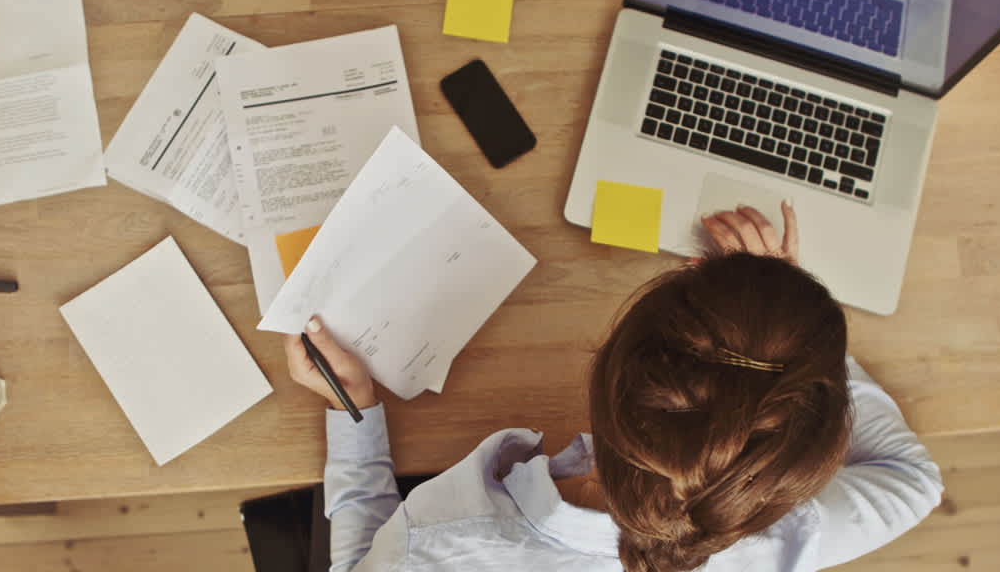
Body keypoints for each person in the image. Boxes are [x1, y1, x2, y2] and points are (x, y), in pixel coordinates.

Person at [282, 202, 943, 572]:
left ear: (606, 366)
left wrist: (355, 412)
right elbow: (912, 483)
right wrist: (792, 339)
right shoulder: (777, 543)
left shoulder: (441, 539)